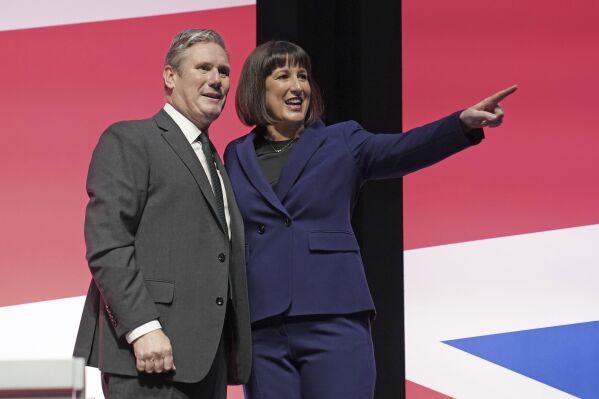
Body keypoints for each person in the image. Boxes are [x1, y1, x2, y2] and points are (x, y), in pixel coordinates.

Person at [223, 40, 517, 399]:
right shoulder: (237, 154)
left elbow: (404, 149)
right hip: (264, 326)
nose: (297, 86)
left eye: (302, 76)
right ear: (258, 87)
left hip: (332, 317)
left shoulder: (341, 140)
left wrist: (460, 125)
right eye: (283, 76)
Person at [73, 29, 251, 399]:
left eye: (223, 71)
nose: (216, 80)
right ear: (170, 76)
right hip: (150, 356)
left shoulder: (215, 160)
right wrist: (142, 327)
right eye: (203, 67)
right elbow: (108, 241)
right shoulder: (131, 139)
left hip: (207, 361)